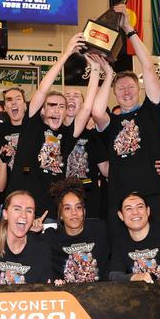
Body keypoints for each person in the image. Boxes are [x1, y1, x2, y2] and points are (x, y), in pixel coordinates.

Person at [8, 36, 102, 223]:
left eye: (62, 106)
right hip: (20, 208)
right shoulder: (33, 124)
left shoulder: (67, 135)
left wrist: (96, 70)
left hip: (49, 214)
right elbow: (43, 89)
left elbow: (86, 108)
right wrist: (67, 54)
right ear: (42, 110)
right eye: (52, 105)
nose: (57, 110)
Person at [91, 4, 160, 230]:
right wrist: (109, 76)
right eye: (120, 88)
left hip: (153, 197)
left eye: (131, 87)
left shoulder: (150, 112)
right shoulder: (111, 123)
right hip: (120, 199)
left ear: (139, 89)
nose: (126, 91)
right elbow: (96, 112)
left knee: (159, 254)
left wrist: (129, 29)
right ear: (114, 93)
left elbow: (149, 67)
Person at [43, 178, 110, 283]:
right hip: (68, 296)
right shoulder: (51, 237)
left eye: (78, 207)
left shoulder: (100, 229)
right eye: (67, 208)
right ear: (60, 215)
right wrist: (31, 231)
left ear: (84, 211)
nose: (74, 213)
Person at [64, 86, 109, 219]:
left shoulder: (92, 135)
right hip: (60, 201)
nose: (71, 97)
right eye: (67, 95)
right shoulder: (53, 132)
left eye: (76, 96)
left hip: (89, 203)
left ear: (84, 105)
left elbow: (106, 170)